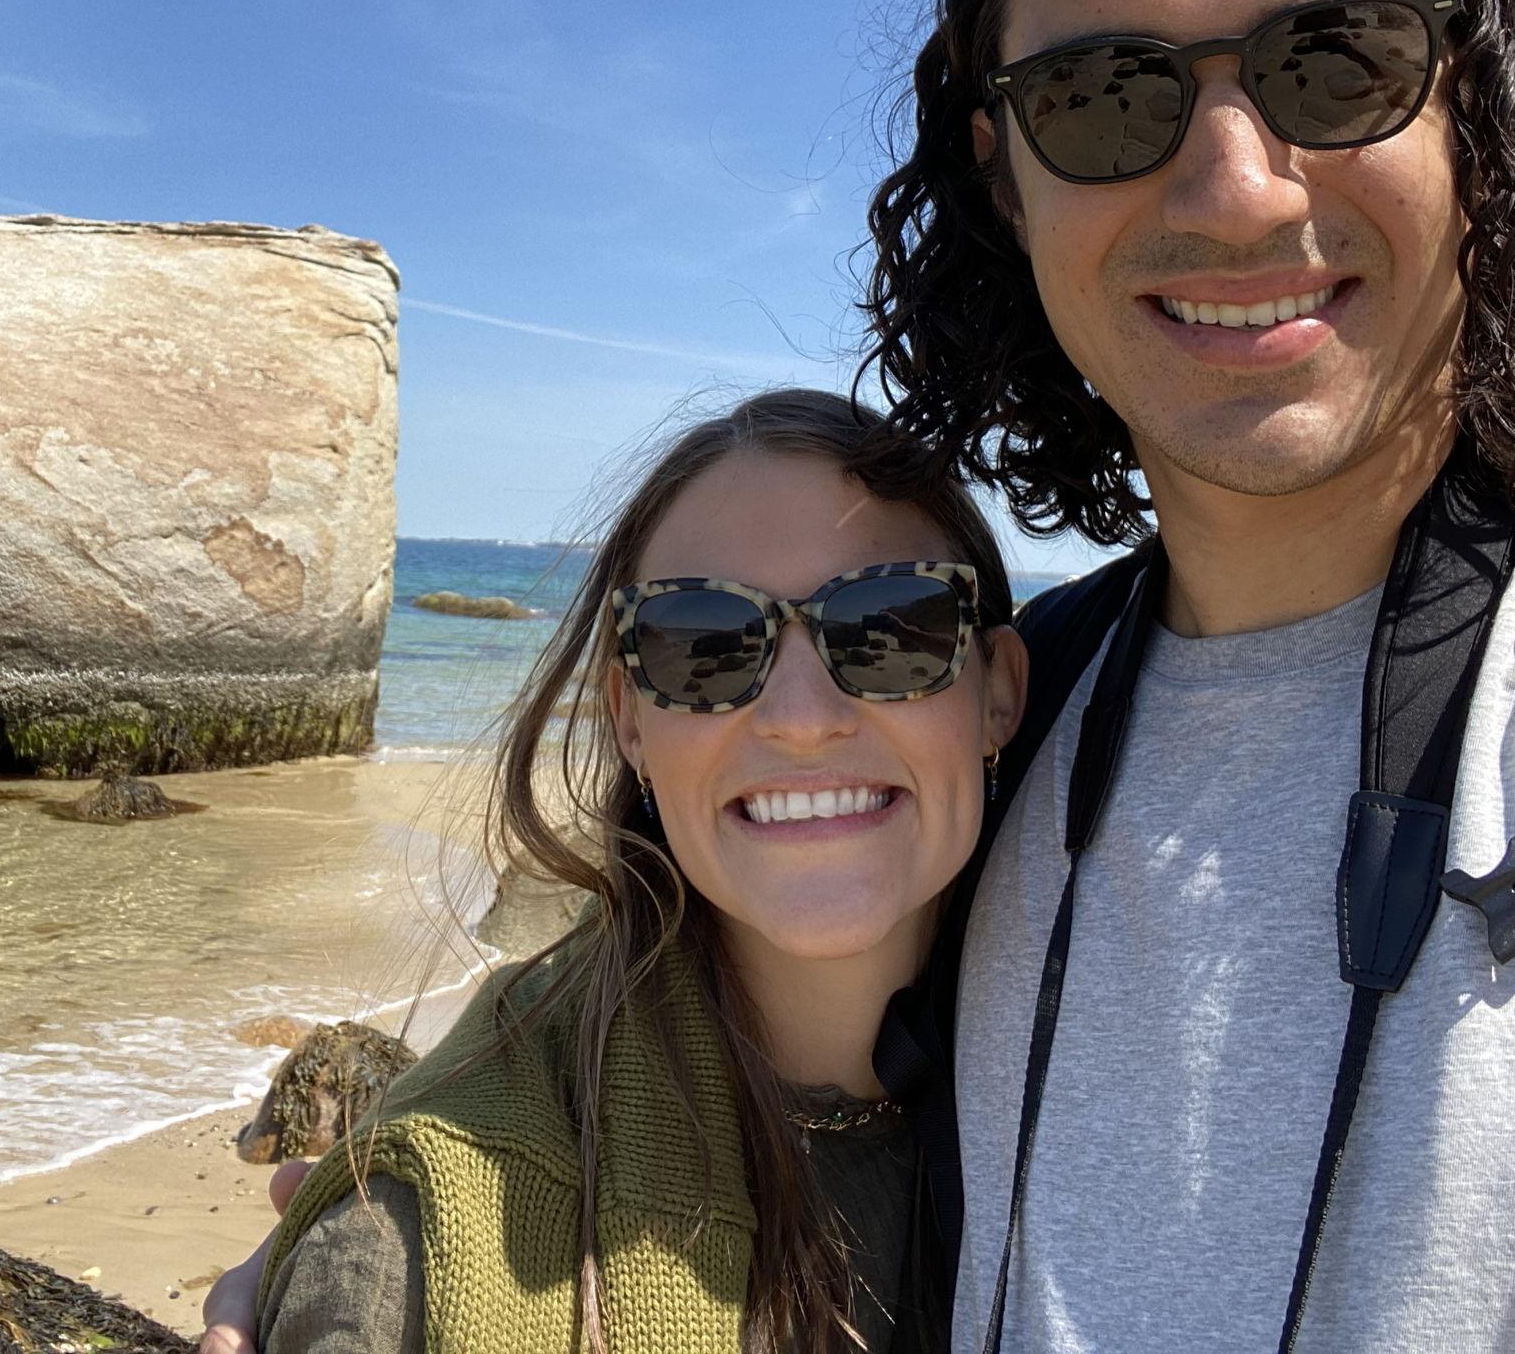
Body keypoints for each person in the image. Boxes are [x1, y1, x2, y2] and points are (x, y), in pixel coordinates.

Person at [859, 0, 1515, 1352]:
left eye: (1335, 61)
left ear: (1470, 106)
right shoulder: (999, 708)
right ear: (1003, 179)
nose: (1234, 188)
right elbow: (671, 981)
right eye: (1101, 93)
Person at [241, 389, 1026, 1353]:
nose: (800, 715)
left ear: (1000, 692)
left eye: (891, 626)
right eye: (703, 644)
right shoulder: (418, 1236)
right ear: (628, 719)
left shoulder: (1142, 1093)